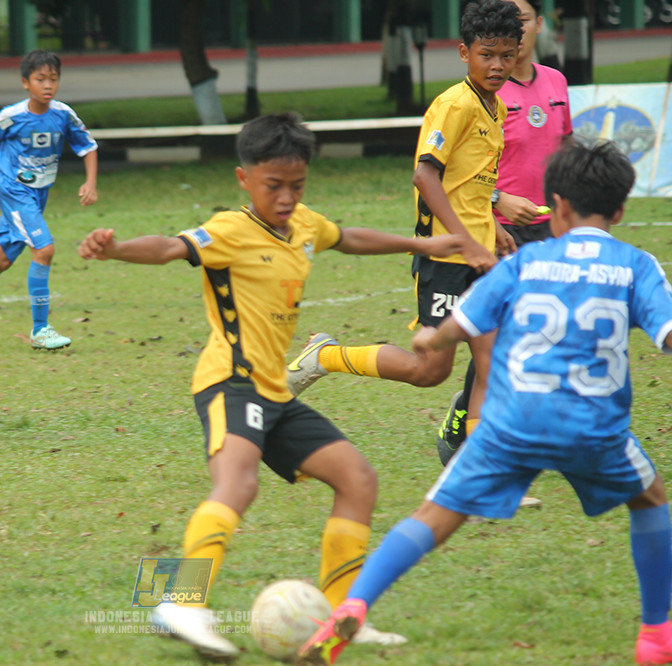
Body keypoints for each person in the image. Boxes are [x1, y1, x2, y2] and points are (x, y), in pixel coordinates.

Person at [77, 113, 464, 659]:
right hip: (230, 383)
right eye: (273, 185)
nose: (286, 198)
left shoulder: (303, 224)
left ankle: (342, 616)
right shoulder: (229, 231)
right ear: (244, 178)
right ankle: (180, 603)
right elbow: (168, 247)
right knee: (238, 484)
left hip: (276, 391)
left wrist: (426, 243)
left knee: (357, 479)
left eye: (297, 186)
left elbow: (349, 237)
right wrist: (115, 248)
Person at [296, 142, 672, 665]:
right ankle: (655, 635)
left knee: (434, 515)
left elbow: (463, 322)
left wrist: (431, 338)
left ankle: (352, 605)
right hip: (593, 425)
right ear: (621, 209)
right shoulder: (636, 265)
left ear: (558, 205)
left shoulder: (528, 261)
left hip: (513, 420)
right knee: (650, 499)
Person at [286, 0, 522, 455]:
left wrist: (491, 226)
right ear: (464, 53)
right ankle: (326, 355)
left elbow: (467, 182)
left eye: (506, 55)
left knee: (492, 356)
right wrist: (465, 241)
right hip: (447, 258)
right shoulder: (454, 105)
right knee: (429, 370)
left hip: (479, 256)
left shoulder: (495, 108)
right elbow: (425, 176)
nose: (497, 65)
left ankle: (480, 466)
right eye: (486, 54)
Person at [434, 0, 573, 465]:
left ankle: (499, 431)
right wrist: (493, 208)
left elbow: (565, 146)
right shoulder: (478, 96)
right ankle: (471, 427)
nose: (500, 58)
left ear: (535, 27)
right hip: (500, 231)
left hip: (548, 225)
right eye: (489, 51)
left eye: (523, 19)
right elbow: (455, 174)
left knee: (538, 332)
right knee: (495, 340)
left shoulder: (554, 82)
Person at [0, 49, 98, 351]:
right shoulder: (13, 116)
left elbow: (88, 147)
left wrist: (90, 182)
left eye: (53, 79)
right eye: (40, 79)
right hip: (14, 190)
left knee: (0, 260)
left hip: (38, 195)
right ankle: (40, 330)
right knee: (44, 249)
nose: (47, 85)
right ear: (25, 82)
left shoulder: (63, 114)